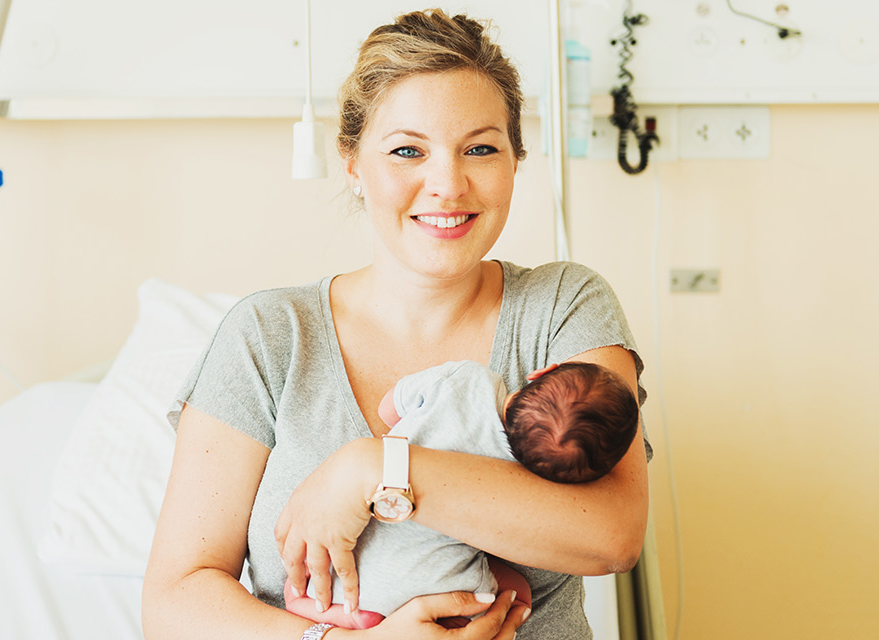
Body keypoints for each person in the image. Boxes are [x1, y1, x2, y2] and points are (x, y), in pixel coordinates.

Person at [142, 9, 651, 640]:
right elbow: (174, 601)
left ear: (516, 161)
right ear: (353, 163)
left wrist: (375, 468)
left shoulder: (562, 307)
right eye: (408, 150)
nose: (447, 184)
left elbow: (612, 536)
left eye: (481, 148)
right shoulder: (268, 338)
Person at [280, 360, 643, 630]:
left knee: (324, 584)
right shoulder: (525, 482)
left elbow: (388, 408)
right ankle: (366, 620)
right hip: (436, 594)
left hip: (350, 574)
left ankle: (311, 606)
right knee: (515, 592)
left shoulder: (468, 380)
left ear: (542, 372)